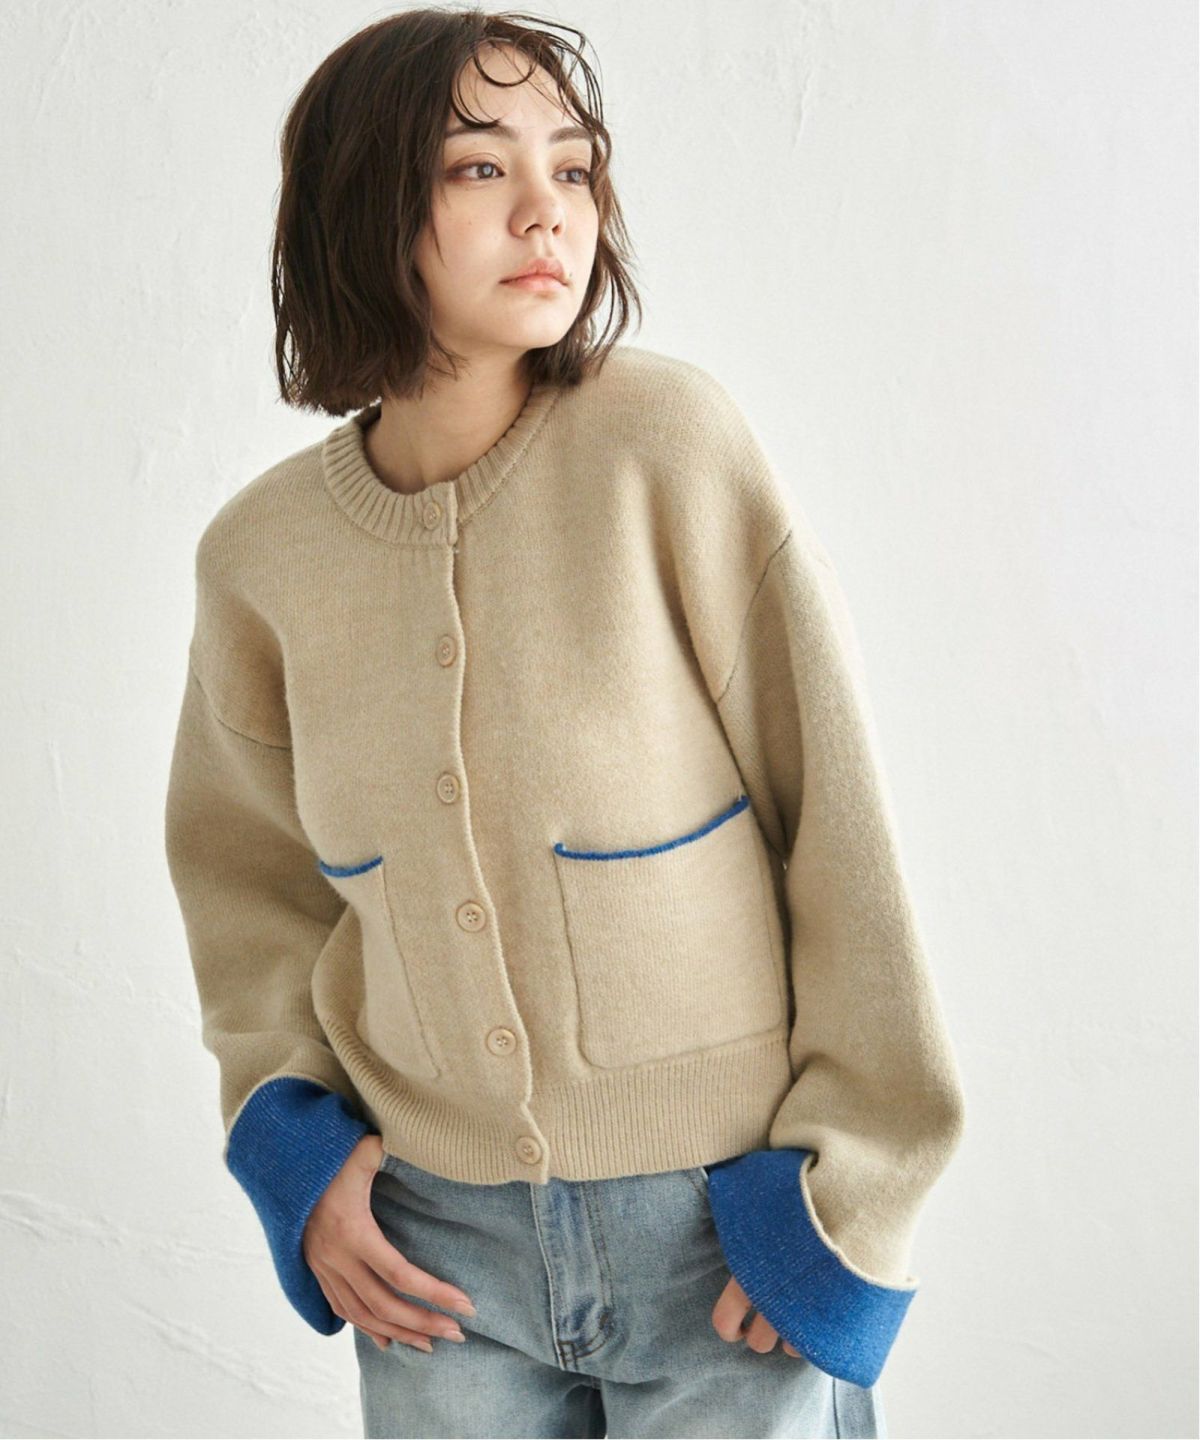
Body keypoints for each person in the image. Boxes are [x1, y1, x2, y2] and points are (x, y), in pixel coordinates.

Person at [163, 8, 967, 1438]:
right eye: (480, 168)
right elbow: (249, 898)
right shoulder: (262, 562)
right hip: (432, 1261)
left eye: (576, 167)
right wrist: (300, 1156)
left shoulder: (668, 448)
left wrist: (850, 1189)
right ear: (361, 207)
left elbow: (836, 829)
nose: (550, 210)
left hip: (726, 1242)